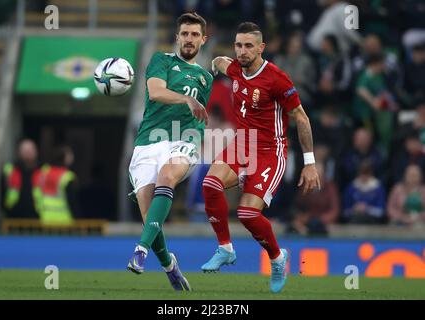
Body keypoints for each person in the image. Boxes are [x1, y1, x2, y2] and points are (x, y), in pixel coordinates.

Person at [203, 22, 320, 293]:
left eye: (248, 46)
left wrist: (310, 162)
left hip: (270, 151)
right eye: (238, 45)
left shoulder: (277, 79)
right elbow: (220, 62)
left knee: (246, 213)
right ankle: (225, 248)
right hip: (241, 144)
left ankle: (278, 259)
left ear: (261, 48)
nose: (242, 51)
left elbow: (300, 117)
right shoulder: (234, 68)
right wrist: (213, 63)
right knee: (210, 184)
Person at [126, 12, 213, 291]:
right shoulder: (161, 60)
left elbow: (199, 115)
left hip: (183, 140)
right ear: (178, 37)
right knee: (151, 217)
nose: (189, 39)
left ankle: (140, 250)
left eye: (194, 34)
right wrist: (187, 99)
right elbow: (156, 92)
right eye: (184, 34)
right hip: (148, 142)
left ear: (203, 39)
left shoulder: (205, 78)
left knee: (167, 176)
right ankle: (169, 265)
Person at [34, 145, 79, 225]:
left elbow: (36, 193)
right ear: (65, 157)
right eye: (70, 155)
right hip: (63, 220)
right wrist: (78, 220)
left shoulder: (43, 172)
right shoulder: (67, 176)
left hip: (44, 219)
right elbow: (73, 201)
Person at [1, 139, 40, 219]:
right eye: (25, 151)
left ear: (36, 152)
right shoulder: (10, 170)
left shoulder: (43, 171)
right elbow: (2, 192)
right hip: (13, 217)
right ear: (19, 153)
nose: (28, 154)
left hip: (38, 218)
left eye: (30, 150)